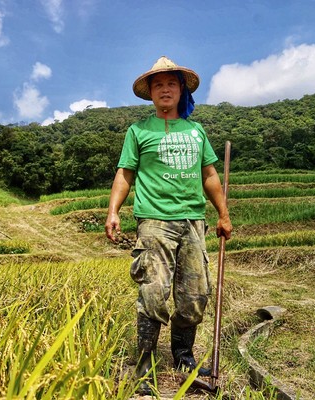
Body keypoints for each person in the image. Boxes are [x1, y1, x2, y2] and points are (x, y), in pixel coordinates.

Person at [105, 56, 233, 395]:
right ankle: (144, 366)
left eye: (171, 84)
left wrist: (222, 213)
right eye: (158, 84)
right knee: (153, 292)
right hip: (154, 221)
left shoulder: (195, 130)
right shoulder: (138, 131)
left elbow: (209, 175)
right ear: (150, 93)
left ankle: (183, 357)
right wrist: (113, 210)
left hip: (193, 221)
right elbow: (125, 174)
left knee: (194, 296)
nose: (165, 89)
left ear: (180, 90)